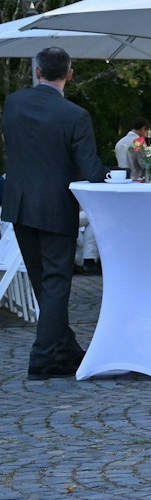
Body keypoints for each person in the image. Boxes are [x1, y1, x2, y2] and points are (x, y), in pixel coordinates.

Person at [1, 46, 104, 380]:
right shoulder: (75, 115)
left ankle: (65, 347)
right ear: (70, 74)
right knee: (56, 282)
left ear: (37, 72)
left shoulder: (13, 103)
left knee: (42, 282)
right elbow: (90, 170)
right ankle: (44, 357)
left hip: (18, 204)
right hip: (56, 207)